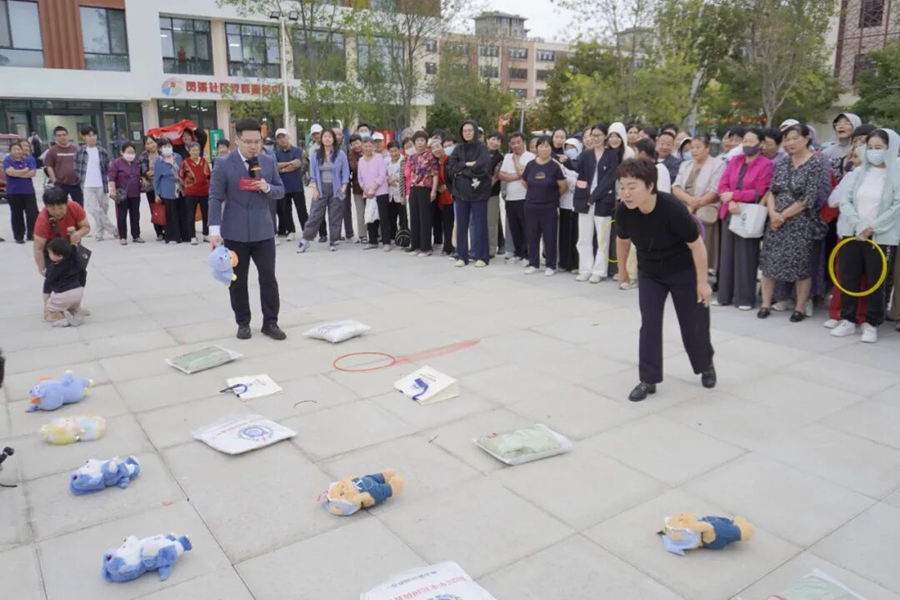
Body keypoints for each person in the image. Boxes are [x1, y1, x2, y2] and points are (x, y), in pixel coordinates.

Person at [615, 158, 716, 401]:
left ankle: (705, 365)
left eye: (632, 187)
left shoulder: (672, 208)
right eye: (622, 187)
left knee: (693, 325)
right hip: (650, 273)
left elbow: (697, 246)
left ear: (650, 186)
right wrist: (623, 270)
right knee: (649, 324)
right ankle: (648, 379)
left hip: (683, 271)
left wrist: (702, 283)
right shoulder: (624, 211)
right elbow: (622, 240)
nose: (626, 193)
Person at [208, 118, 286, 341]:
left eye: (257, 141)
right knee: (238, 280)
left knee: (268, 277)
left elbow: (280, 190)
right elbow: (215, 197)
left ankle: (270, 322)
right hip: (235, 232)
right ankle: (243, 323)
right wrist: (214, 230)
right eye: (248, 142)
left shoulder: (268, 161)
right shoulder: (223, 163)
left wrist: (267, 187)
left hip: (263, 230)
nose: (253, 146)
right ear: (237, 140)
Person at [830, 128, 900, 343]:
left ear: (890, 148)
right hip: (854, 234)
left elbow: (897, 206)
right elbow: (845, 201)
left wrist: (873, 227)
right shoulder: (858, 173)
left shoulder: (896, 174)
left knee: (877, 281)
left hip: (881, 237)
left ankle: (871, 323)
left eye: (879, 147)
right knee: (849, 277)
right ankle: (848, 319)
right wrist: (859, 225)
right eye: (870, 147)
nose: (873, 151)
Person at [758, 124, 827, 322]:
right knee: (769, 263)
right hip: (775, 221)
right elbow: (773, 191)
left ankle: (800, 307)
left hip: (800, 222)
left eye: (794, 138)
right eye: (787, 139)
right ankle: (766, 303)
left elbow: (808, 198)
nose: (790, 143)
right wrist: (773, 214)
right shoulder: (782, 163)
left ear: (806, 138)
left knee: (801, 266)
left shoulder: (815, 164)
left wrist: (782, 216)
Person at [714, 130, 774, 309]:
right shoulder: (735, 160)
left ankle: (745, 299)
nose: (747, 144)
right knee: (726, 257)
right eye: (745, 141)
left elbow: (760, 191)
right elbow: (723, 185)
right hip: (729, 210)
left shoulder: (766, 164)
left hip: (748, 213)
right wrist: (730, 200)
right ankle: (724, 296)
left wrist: (735, 196)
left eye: (751, 141)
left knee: (746, 257)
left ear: (760, 144)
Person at [33, 186, 91, 319]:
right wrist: (42, 268)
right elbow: (38, 247)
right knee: (52, 277)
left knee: (80, 273)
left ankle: (74, 306)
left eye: (60, 207)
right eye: (52, 208)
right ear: (47, 207)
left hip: (71, 246)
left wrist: (78, 234)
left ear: (66, 203)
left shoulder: (74, 207)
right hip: (52, 249)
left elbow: (86, 227)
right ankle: (49, 309)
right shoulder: (43, 219)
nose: (57, 212)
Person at [673, 132, 727, 276]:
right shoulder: (686, 164)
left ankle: (702, 269)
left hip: (705, 204)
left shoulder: (718, 164)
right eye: (692, 147)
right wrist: (689, 201)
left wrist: (694, 205)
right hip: (686, 202)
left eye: (698, 147)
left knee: (701, 220)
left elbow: (714, 191)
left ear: (707, 148)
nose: (694, 151)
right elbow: (676, 187)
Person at [574, 124, 620, 284]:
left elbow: (609, 180)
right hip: (584, 200)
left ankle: (599, 271)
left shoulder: (612, 156)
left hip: (602, 200)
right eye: (593, 135)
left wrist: (593, 197)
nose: (596, 138)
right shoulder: (586, 155)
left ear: (605, 136)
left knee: (602, 238)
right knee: (584, 237)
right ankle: (585, 269)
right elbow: (579, 174)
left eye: (599, 135)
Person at [521, 136, 568, 276]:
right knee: (532, 235)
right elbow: (525, 182)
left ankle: (551, 265)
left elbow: (563, 186)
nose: (544, 149)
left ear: (551, 148)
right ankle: (533, 264)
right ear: (536, 148)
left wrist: (552, 196)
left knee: (550, 236)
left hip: (549, 207)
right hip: (531, 206)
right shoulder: (530, 165)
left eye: (547, 146)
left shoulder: (555, 166)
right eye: (541, 146)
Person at [447, 120, 492, 267]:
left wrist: (462, 171)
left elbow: (483, 167)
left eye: (470, 130)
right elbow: (451, 167)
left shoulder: (482, 148)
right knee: (461, 225)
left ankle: (482, 256)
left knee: (480, 225)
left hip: (479, 192)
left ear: (475, 131)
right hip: (461, 192)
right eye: (464, 131)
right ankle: (462, 256)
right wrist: (467, 164)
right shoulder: (458, 148)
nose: (467, 133)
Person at [298, 129, 349, 253]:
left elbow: (345, 172)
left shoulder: (340, 154)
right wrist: (315, 189)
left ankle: (333, 240)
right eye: (325, 136)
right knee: (315, 215)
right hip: (321, 188)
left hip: (336, 188)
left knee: (335, 215)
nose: (327, 139)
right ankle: (305, 240)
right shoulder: (316, 154)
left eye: (330, 137)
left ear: (334, 139)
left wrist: (343, 187)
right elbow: (313, 174)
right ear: (321, 139)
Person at [74, 126, 117, 242]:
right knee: (93, 209)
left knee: (103, 209)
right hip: (87, 185)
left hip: (101, 184)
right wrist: (80, 178)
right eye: (89, 135)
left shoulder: (102, 151)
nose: (92, 138)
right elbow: (76, 167)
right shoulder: (80, 151)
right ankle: (113, 229)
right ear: (84, 137)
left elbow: (109, 167)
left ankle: (99, 233)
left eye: (94, 135)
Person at [499, 132, 535, 263]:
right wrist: (518, 176)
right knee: (514, 227)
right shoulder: (507, 157)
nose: (516, 145)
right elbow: (501, 175)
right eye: (513, 143)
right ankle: (518, 253)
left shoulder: (531, 157)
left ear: (524, 142)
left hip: (525, 197)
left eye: (518, 142)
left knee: (526, 227)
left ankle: (527, 254)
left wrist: (515, 165)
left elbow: (525, 174)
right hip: (510, 198)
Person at [406, 130, 439, 257]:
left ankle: (426, 247)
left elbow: (435, 174)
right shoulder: (412, 156)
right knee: (414, 217)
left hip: (426, 188)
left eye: (422, 140)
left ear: (426, 142)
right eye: (417, 140)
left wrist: (434, 190)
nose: (419, 143)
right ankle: (416, 246)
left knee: (425, 218)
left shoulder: (431, 156)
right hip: (414, 188)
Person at [43, 237, 88, 327]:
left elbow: (49, 280)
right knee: (71, 303)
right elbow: (75, 254)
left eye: (50, 253)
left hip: (63, 294)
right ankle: (76, 311)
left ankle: (61, 319)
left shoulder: (54, 268)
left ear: (59, 255)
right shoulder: (74, 261)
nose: (49, 255)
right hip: (78, 292)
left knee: (50, 309)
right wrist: (74, 245)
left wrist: (46, 273)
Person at [272, 129, 306, 243]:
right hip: (283, 186)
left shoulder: (297, 150)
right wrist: (289, 163)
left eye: (284, 137)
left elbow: (297, 164)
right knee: (286, 210)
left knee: (301, 209)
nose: (282, 140)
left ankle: (306, 230)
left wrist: (283, 169)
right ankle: (291, 230)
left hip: (296, 185)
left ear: (288, 137)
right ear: (277, 141)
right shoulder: (276, 153)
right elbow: (275, 166)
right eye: (279, 138)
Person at [107, 142, 144, 245]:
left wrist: (143, 179)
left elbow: (140, 174)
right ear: (122, 152)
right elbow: (111, 177)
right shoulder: (117, 163)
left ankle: (136, 235)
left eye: (132, 152)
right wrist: (112, 190)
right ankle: (122, 236)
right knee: (121, 215)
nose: (130, 154)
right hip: (122, 194)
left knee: (135, 215)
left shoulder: (136, 163)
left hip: (135, 193)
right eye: (128, 152)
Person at [357, 137, 389, 250]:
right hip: (367, 193)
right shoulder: (361, 160)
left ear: (374, 147)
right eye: (365, 146)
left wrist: (373, 189)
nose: (368, 148)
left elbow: (382, 175)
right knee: (370, 216)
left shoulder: (379, 158)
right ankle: (372, 241)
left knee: (383, 217)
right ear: (362, 147)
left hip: (380, 191)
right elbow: (359, 178)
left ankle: (386, 242)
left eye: (370, 146)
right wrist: (365, 189)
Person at [3, 141, 38, 244]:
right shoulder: (7, 160)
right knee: (17, 214)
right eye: (15, 149)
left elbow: (32, 173)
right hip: (14, 192)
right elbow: (10, 172)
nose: (17, 151)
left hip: (28, 191)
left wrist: (17, 173)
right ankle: (19, 236)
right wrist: (25, 170)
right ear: (10, 151)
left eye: (19, 149)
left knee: (32, 213)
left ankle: (31, 234)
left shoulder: (28, 160)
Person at [153, 139, 185, 244]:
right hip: (167, 189)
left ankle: (184, 235)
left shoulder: (178, 157)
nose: (167, 148)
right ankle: (172, 237)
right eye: (164, 146)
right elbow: (156, 179)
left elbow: (183, 171)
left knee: (181, 212)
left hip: (179, 188)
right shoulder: (159, 161)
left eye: (169, 146)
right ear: (160, 148)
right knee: (171, 214)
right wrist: (157, 194)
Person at [558, 137, 582, 273]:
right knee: (564, 234)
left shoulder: (582, 162)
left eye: (572, 148)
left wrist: (572, 183)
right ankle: (564, 262)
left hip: (577, 203)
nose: (569, 151)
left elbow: (581, 180)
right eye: (567, 148)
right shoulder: (561, 164)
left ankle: (575, 264)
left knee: (576, 235)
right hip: (564, 202)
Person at [179, 142, 211, 245]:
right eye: (193, 150)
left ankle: (206, 234)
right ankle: (192, 236)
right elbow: (181, 176)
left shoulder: (204, 161)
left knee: (206, 214)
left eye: (197, 150)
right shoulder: (185, 162)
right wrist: (185, 187)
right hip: (191, 192)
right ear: (189, 151)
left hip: (204, 192)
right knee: (190, 214)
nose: (195, 152)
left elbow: (209, 176)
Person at [44, 126, 83, 206]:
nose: (62, 137)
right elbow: (49, 166)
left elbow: (82, 164)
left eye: (64, 135)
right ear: (55, 137)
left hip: (76, 183)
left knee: (79, 206)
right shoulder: (52, 151)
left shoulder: (76, 149)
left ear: (67, 136)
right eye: (59, 135)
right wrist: (54, 181)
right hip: (60, 184)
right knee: (61, 205)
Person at [431, 138, 455, 256]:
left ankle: (451, 247)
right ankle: (446, 246)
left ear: (442, 147)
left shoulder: (450, 160)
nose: (436, 150)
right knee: (445, 223)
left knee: (451, 223)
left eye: (438, 146)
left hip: (450, 196)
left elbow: (455, 177)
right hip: (441, 197)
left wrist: (446, 186)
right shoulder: (434, 163)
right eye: (433, 148)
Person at [822, 113, 862, 181]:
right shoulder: (827, 152)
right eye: (838, 124)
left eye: (846, 123)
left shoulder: (861, 150)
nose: (840, 126)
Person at [386, 140, 408, 242]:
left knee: (403, 217)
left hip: (401, 193)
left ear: (400, 150)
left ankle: (404, 237)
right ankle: (392, 236)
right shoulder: (386, 161)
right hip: (390, 193)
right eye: (391, 151)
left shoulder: (404, 161)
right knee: (391, 217)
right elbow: (383, 174)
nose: (393, 153)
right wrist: (388, 180)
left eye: (395, 151)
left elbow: (406, 175)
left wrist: (396, 180)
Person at [347, 133, 364, 242]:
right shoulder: (351, 155)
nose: (356, 146)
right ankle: (362, 235)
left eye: (357, 143)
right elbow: (354, 168)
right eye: (353, 144)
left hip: (372, 187)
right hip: (358, 187)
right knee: (360, 211)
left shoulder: (368, 150)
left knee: (374, 210)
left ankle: (377, 234)